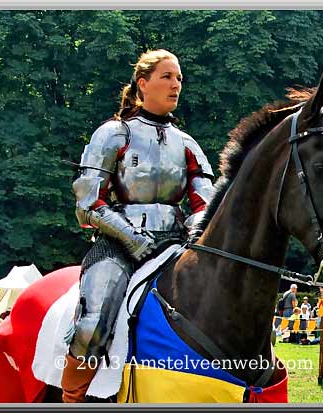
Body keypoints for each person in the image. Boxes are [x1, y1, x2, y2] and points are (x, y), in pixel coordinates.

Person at [62, 49, 214, 403]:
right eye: (167, 77)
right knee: (93, 324)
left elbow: (205, 203)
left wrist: (195, 232)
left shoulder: (187, 143)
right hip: (118, 244)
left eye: (179, 78)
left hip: (176, 244)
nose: (176, 84)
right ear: (143, 83)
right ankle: (71, 398)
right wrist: (131, 239)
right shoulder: (114, 134)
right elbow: (88, 203)